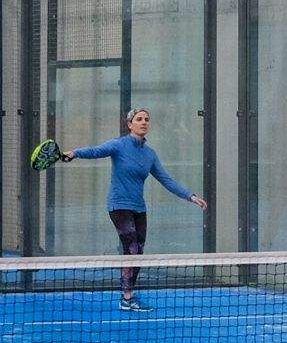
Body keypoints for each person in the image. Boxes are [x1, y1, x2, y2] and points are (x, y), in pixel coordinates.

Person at [59, 108, 208, 311]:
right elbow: (95, 151)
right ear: (130, 124)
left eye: (146, 119)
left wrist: (190, 196)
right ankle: (127, 298)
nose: (144, 122)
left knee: (138, 252)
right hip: (119, 205)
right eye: (139, 119)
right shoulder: (118, 145)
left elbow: (166, 180)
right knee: (132, 249)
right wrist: (74, 153)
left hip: (139, 208)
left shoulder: (150, 154)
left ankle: (128, 294)